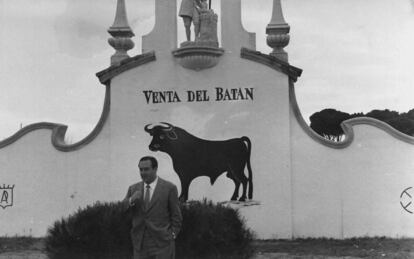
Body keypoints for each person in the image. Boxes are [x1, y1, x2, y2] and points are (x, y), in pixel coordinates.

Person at [123, 156, 182, 259]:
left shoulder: (169, 188)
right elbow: (121, 208)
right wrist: (131, 199)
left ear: (155, 169)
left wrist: (172, 235)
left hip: (163, 243)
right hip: (140, 243)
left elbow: (176, 215)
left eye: (146, 169)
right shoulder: (133, 188)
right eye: (141, 169)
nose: (143, 172)